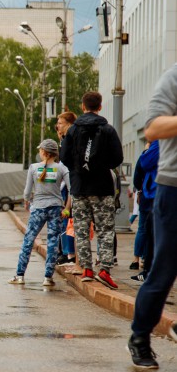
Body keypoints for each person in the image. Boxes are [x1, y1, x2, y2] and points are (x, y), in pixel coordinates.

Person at [128, 65, 177, 369]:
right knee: (164, 269)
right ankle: (139, 337)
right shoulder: (173, 78)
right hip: (173, 187)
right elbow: (153, 129)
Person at [59, 91, 123, 289]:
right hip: (102, 187)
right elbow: (117, 158)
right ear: (100, 107)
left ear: (82, 106)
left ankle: (86, 269)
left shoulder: (73, 131)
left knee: (81, 229)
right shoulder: (108, 130)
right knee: (105, 230)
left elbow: (64, 157)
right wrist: (101, 167)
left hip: (79, 187)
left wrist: (78, 170)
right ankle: (104, 269)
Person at [8, 139, 70, 286]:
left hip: (38, 208)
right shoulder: (62, 169)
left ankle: (20, 275)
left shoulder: (34, 168)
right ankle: (48, 278)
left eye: (40, 150)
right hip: (56, 208)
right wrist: (66, 208)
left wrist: (27, 201)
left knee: (28, 241)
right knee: (53, 242)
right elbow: (71, 190)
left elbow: (27, 191)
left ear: (44, 152)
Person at [130, 140, 158, 282]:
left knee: (148, 230)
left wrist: (145, 151)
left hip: (154, 193)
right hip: (151, 192)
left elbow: (144, 163)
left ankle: (147, 268)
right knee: (147, 229)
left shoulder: (159, 143)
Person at [55, 111, 78, 268]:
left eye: (60, 123)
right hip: (67, 186)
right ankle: (64, 252)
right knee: (65, 222)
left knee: (68, 221)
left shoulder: (72, 139)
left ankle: (69, 254)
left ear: (69, 124)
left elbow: (66, 162)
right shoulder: (65, 140)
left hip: (71, 186)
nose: (58, 126)